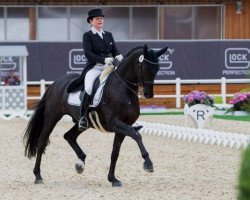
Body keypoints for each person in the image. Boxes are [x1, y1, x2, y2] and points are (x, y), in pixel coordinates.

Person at [75, 8, 123, 131]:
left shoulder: (108, 35)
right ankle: (82, 117)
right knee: (89, 87)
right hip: (95, 67)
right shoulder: (88, 36)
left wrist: (118, 56)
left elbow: (115, 51)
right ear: (91, 21)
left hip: (110, 66)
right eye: (97, 19)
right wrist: (103, 60)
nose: (100, 20)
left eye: (101, 18)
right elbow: (88, 54)